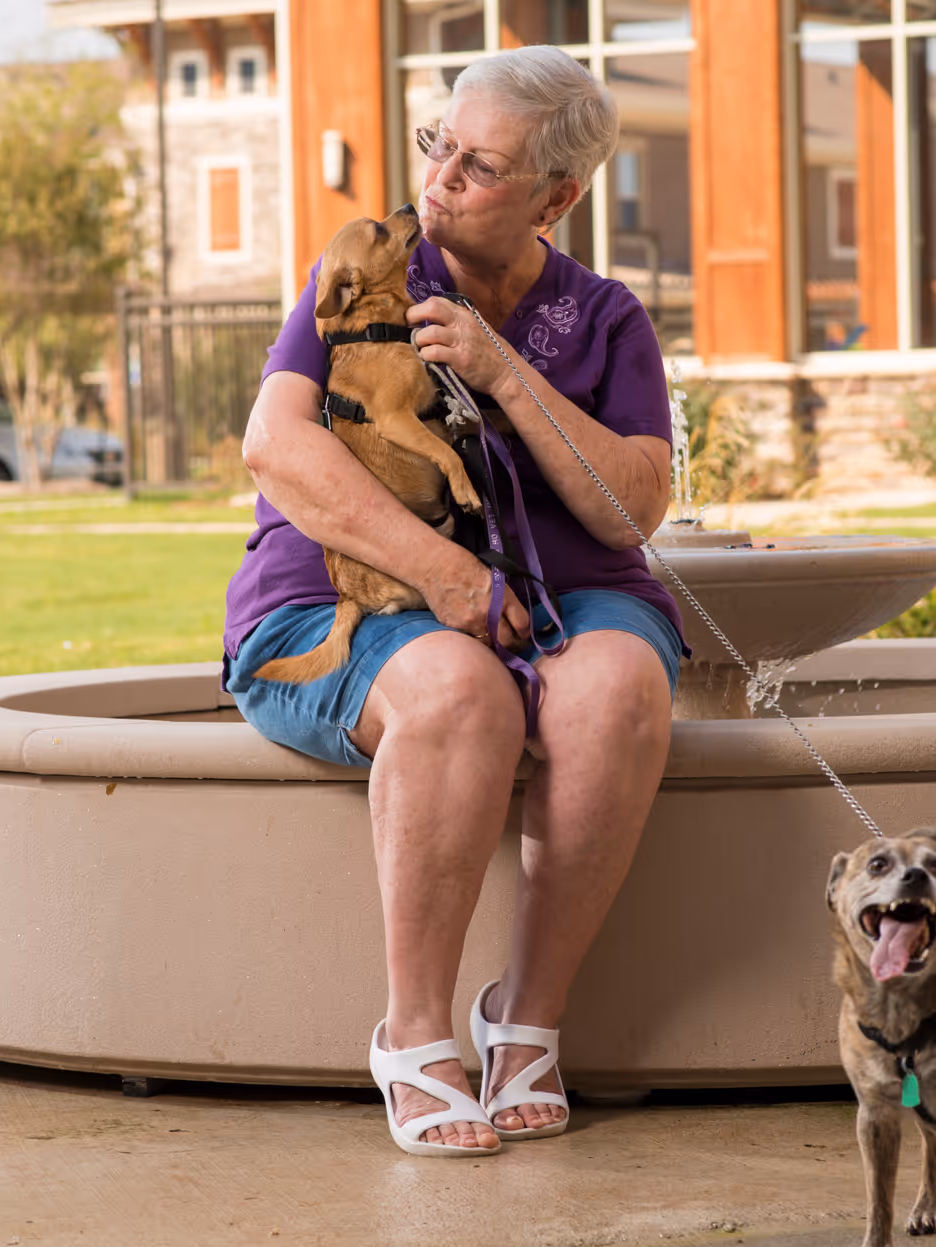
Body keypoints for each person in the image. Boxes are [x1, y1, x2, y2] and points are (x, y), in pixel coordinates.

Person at [225, 46, 681, 1156]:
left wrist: (505, 374)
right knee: (459, 693)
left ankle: (525, 1021)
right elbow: (273, 445)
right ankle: (414, 1031)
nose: (438, 180)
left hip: (571, 594)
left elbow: (633, 511)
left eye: (479, 167)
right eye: (439, 146)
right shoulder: (369, 271)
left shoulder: (605, 319)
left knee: (615, 687)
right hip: (346, 597)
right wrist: (446, 578)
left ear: (557, 198)